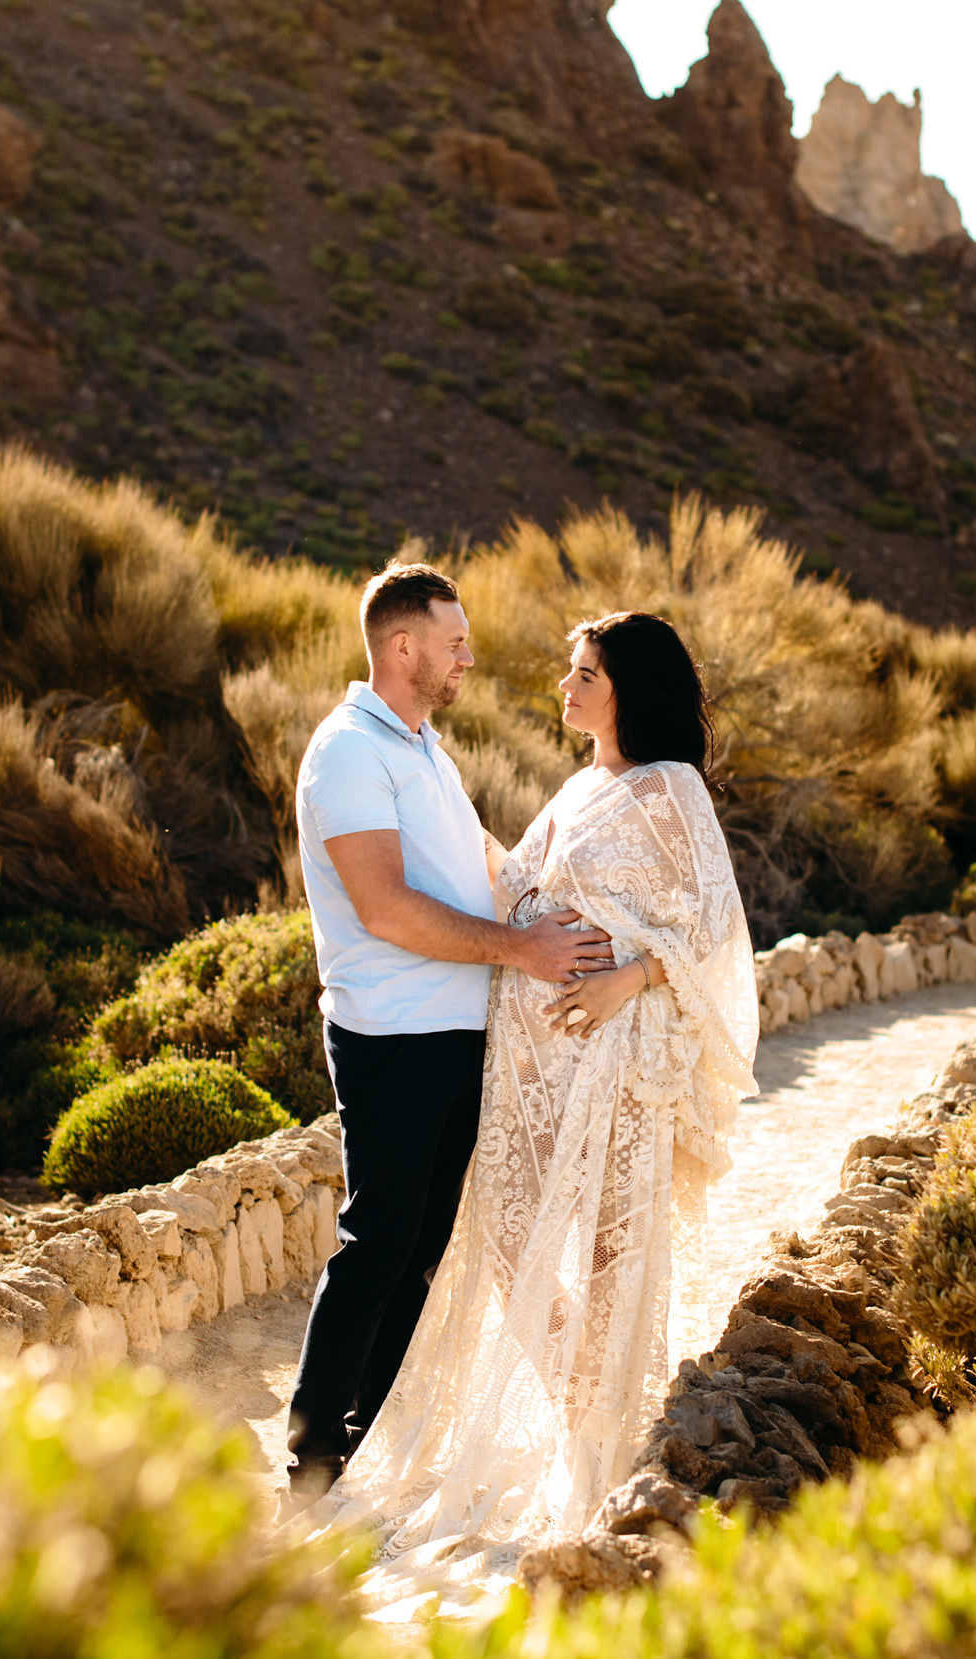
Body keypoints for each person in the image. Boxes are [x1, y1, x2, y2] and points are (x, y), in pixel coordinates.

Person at [316, 607, 758, 1562]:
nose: (565, 685)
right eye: (571, 669)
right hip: (531, 1072)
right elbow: (513, 881)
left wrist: (625, 980)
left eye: (585, 673)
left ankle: (598, 1451)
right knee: (509, 1235)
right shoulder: (578, 786)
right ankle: (584, 1411)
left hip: (615, 1063)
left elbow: (717, 927)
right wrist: (430, 816)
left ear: (628, 690)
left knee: (606, 1256)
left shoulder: (670, 787)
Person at [285, 563, 617, 1503]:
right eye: (454, 641)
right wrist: (521, 948)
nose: (468, 655)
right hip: (391, 1036)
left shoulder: (425, 749)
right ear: (403, 647)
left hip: (453, 1033)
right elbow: (385, 907)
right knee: (378, 1245)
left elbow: (481, 868)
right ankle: (308, 1465)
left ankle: (365, 1446)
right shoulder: (350, 751)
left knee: (419, 1252)